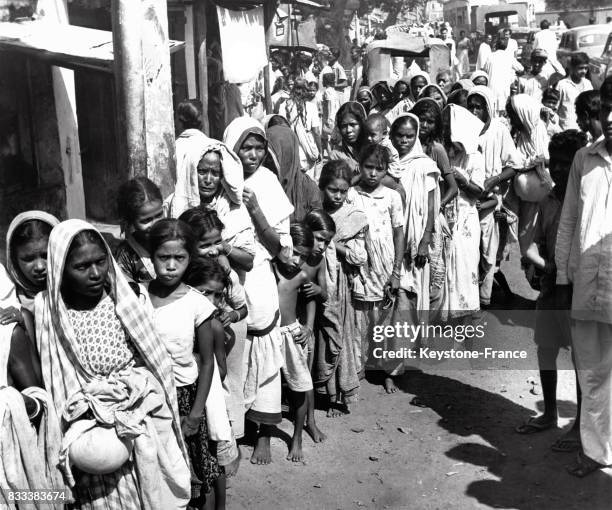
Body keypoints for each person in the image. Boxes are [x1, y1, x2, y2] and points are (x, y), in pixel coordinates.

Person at [35, 219, 191, 508]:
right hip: (87, 434)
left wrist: (129, 396)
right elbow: (58, 379)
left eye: (100, 261)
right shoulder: (49, 312)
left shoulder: (123, 299)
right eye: (81, 267)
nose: (95, 273)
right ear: (61, 271)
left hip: (136, 422)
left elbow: (155, 362)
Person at [223, 117, 293, 465]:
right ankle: (234, 433)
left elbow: (279, 247)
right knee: (233, 352)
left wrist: (254, 208)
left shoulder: (266, 182)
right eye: (245, 148)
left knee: (263, 342)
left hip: (259, 275)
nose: (252, 154)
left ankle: (264, 433)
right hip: (226, 274)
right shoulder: (221, 181)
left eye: (258, 147)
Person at [515, 131, 587, 455]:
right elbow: (534, 242)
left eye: (564, 164)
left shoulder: (587, 199)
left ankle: (581, 425)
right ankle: (549, 413)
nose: (557, 170)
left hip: (579, 290)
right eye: (553, 163)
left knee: (581, 358)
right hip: (551, 287)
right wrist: (544, 266)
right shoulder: (548, 201)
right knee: (545, 348)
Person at [146, 219, 226, 509]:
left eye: (179, 258)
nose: (170, 266)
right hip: (151, 400)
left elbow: (207, 363)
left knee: (194, 473)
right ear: (151, 255)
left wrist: (194, 415)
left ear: (190, 258)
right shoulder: (139, 297)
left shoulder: (197, 303)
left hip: (185, 398)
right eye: (163, 257)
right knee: (157, 471)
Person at [555, 76, 612, 477]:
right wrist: (563, 273)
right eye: (607, 106)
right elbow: (570, 219)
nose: (611, 117)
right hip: (590, 282)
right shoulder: (583, 160)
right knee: (593, 370)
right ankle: (597, 452)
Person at [179, 208, 248, 444]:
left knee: (224, 394)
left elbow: (243, 307)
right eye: (205, 244)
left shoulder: (225, 274)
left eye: (218, 242)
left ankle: (227, 444)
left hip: (221, 345)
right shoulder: (180, 277)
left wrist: (233, 316)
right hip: (190, 357)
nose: (214, 249)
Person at [384, 114, 440, 391]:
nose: (403, 141)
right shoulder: (389, 165)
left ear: (415, 136)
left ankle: (401, 359)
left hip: (415, 241)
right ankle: (391, 365)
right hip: (393, 240)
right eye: (399, 135)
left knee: (411, 299)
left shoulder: (425, 165)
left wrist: (424, 240)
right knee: (395, 300)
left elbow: (431, 207)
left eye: (408, 136)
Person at [350, 144, 405, 393]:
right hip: (360, 265)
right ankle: (359, 367)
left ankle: (388, 372)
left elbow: (398, 233)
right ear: (360, 167)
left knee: (386, 321)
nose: (372, 173)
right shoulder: (351, 194)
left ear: (386, 171)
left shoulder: (392, 196)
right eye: (368, 167)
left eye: (378, 169)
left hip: (385, 266)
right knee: (361, 319)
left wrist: (396, 272)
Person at [315, 161, 368, 415]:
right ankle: (324, 391)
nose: (338, 196)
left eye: (343, 191)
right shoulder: (315, 214)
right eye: (333, 190)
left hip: (341, 286)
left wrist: (333, 245)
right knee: (321, 335)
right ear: (322, 187)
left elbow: (359, 257)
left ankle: (338, 395)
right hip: (319, 280)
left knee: (340, 334)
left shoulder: (353, 217)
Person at [466, 86, 523, 308]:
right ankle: (468, 296)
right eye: (470, 106)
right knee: (469, 249)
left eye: (478, 107)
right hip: (468, 197)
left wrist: (494, 180)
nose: (474, 111)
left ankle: (484, 297)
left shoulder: (499, 131)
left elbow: (514, 165)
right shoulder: (464, 130)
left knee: (489, 251)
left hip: (490, 199)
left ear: (488, 108)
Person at [271, 222, 318, 462]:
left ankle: (297, 436)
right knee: (268, 389)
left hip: (292, 335)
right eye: (295, 252)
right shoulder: (267, 270)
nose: (298, 260)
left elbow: (311, 299)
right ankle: (264, 437)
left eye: (304, 256)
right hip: (268, 335)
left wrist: (308, 327)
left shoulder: (302, 275)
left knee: (299, 387)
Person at [441, 105, 486, 321]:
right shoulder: (443, 151)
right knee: (445, 262)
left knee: (465, 262)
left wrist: (462, 181)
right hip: (446, 213)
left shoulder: (475, 157)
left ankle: (465, 313)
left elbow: (479, 191)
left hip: (466, 215)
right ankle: (446, 313)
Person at [506, 94, 551, 258]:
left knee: (531, 242)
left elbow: (544, 158)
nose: (513, 121)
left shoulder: (538, 129)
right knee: (526, 241)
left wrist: (525, 164)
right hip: (527, 197)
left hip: (539, 194)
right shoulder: (521, 133)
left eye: (514, 116)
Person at [4, 211, 59, 338]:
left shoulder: (78, 289)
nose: (40, 266)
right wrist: (23, 322)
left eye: (46, 256)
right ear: (14, 261)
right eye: (28, 259)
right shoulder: (10, 297)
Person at [115, 177, 165, 283]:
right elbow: (125, 290)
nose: (155, 224)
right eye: (146, 220)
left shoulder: (175, 239)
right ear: (131, 220)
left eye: (159, 215)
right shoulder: (126, 255)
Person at [266, 124, 322, 218]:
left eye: (276, 156)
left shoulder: (308, 188)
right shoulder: (260, 183)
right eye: (267, 155)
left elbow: (319, 225)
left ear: (289, 154)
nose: (268, 161)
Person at [280, 78, 322, 175]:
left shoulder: (284, 106)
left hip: (290, 149)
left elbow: (281, 129)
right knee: (307, 181)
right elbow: (316, 131)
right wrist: (319, 150)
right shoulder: (311, 107)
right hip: (307, 150)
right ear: (306, 91)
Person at [484, 38, 524, 115]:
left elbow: (485, 70)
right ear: (506, 47)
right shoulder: (509, 57)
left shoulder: (490, 56)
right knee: (502, 112)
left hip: (491, 87)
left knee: (491, 111)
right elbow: (521, 69)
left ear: (496, 46)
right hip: (503, 88)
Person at [329, 102, 368, 176]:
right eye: (344, 126)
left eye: (353, 125)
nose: (348, 130)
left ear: (362, 124)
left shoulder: (373, 148)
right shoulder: (336, 156)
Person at [556, 53, 593, 131]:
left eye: (586, 68)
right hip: (567, 131)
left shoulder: (588, 84)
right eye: (580, 68)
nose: (584, 71)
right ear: (572, 67)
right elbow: (555, 109)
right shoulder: (562, 85)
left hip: (585, 132)